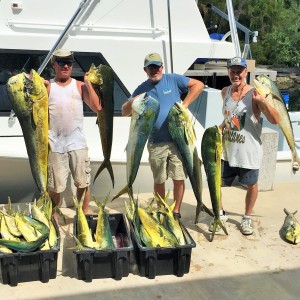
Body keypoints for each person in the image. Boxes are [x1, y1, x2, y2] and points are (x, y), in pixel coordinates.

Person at [122, 53, 205, 218]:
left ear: (162, 67)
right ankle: (161, 209)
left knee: (179, 177)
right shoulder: (142, 88)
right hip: (156, 142)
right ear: (145, 69)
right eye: (151, 67)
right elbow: (125, 111)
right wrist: (132, 102)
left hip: (179, 141)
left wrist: (185, 104)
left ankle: (176, 211)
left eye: (157, 66)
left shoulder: (173, 80)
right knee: (159, 179)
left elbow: (199, 85)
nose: (155, 70)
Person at [210, 56, 279, 235]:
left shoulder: (254, 95)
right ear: (228, 73)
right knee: (216, 182)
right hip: (227, 151)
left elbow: (275, 119)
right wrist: (217, 131)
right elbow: (229, 118)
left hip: (248, 152)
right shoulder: (224, 92)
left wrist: (263, 102)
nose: (236, 75)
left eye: (239, 71)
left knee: (252, 185)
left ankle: (247, 217)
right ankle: (220, 213)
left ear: (245, 72)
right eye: (232, 71)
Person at [44, 49, 101, 216]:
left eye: (69, 62)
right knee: (55, 186)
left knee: (82, 182)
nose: (66, 66)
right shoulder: (48, 87)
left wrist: (88, 83)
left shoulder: (79, 85)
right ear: (54, 64)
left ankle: (83, 213)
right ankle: (53, 216)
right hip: (54, 143)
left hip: (77, 142)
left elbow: (97, 107)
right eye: (61, 62)